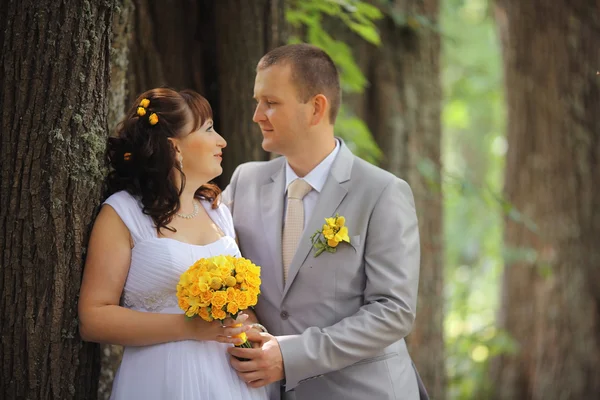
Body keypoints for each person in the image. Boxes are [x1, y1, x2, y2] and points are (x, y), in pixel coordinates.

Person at [222, 44, 428, 400]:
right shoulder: (245, 182)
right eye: (257, 101)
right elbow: (214, 264)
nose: (257, 114)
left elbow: (393, 311)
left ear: (316, 108)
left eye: (271, 102)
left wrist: (291, 355)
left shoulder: (382, 192)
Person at [78, 88, 269, 400]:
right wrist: (189, 327)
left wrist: (253, 332)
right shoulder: (123, 213)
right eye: (208, 129)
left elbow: (241, 309)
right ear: (174, 147)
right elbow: (93, 318)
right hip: (162, 379)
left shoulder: (217, 211)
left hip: (230, 381)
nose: (221, 140)